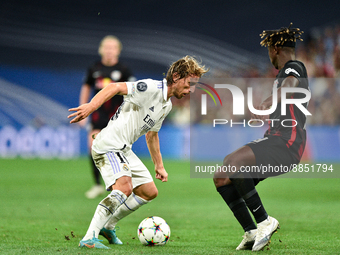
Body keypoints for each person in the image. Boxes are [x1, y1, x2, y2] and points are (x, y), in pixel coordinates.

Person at [68, 56, 208, 249]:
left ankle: (108, 225)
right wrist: (91, 107)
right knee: (124, 188)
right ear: (176, 76)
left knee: (149, 192)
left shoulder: (166, 105)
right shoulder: (151, 88)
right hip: (109, 145)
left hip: (124, 149)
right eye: (189, 83)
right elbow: (114, 87)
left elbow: (152, 136)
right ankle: (89, 237)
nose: (190, 89)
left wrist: (159, 166)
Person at [213, 23, 309, 251]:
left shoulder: (293, 67)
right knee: (222, 177)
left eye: (269, 51)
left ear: (275, 48)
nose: (269, 57)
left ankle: (265, 221)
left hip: (286, 142)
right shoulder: (284, 73)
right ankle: (251, 231)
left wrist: (268, 102)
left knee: (233, 161)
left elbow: (290, 85)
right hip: (278, 140)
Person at [79, 35, 136, 199]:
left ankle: (121, 183)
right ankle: (97, 184)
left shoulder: (124, 70)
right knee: (93, 146)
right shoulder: (94, 68)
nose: (109, 51)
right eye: (107, 47)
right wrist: (84, 112)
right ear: (101, 50)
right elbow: (86, 88)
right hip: (98, 114)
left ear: (118, 50)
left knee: (118, 148)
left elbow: (133, 92)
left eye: (113, 48)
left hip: (118, 115)